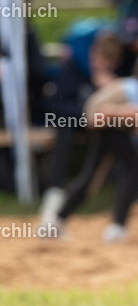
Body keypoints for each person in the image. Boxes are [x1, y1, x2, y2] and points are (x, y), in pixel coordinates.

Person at [39, 31, 126, 221]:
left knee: (121, 164)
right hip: (77, 121)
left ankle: (116, 221)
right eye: (100, 59)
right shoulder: (75, 70)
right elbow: (54, 106)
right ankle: (54, 197)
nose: (103, 65)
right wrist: (89, 115)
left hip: (111, 127)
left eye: (109, 62)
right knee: (66, 131)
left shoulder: (119, 79)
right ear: (93, 53)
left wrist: (111, 91)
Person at [42, 72, 138, 243]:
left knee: (92, 177)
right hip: (108, 123)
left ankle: (56, 221)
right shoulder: (129, 89)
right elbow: (112, 113)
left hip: (108, 123)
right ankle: (117, 227)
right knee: (131, 169)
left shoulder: (127, 86)